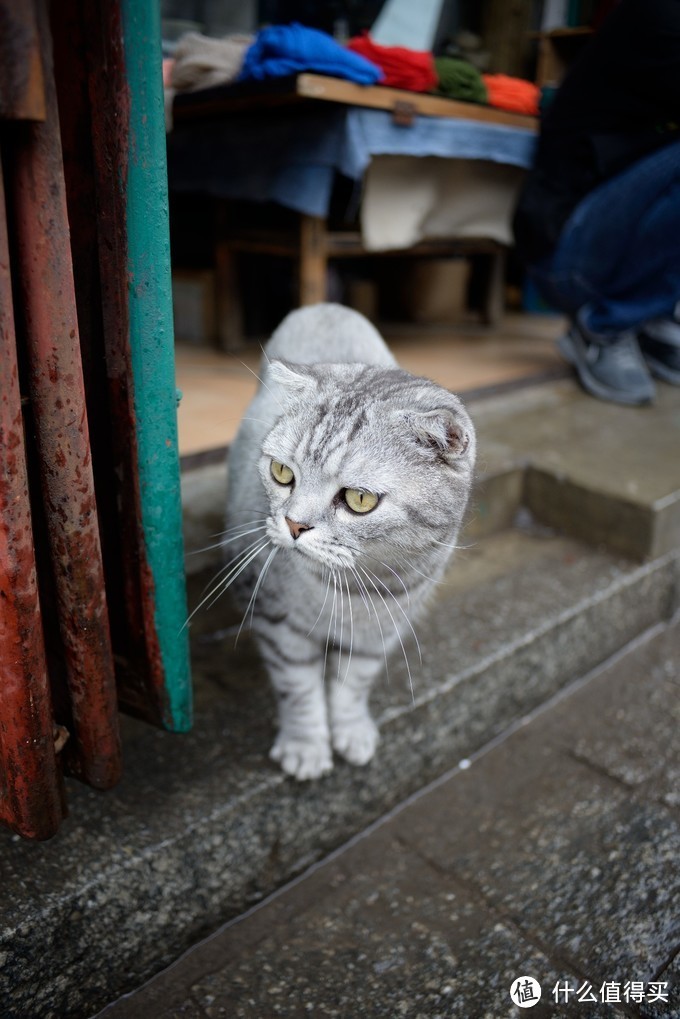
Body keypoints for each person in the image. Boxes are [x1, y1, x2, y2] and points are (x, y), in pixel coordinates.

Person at [513, 0, 680, 406]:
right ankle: (605, 326)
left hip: (603, 238)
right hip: (567, 256)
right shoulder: (660, 16)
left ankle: (651, 321)